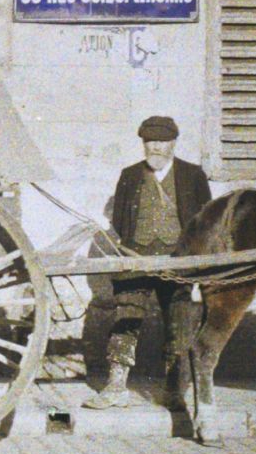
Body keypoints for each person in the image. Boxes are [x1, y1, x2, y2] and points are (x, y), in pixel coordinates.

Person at [84, 113, 212, 409]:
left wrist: (190, 257)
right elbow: (119, 220)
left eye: (162, 142)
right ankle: (116, 387)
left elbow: (204, 219)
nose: (155, 147)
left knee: (178, 322)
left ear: (174, 144)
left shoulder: (193, 175)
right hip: (135, 260)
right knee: (125, 318)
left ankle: (174, 390)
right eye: (149, 142)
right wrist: (131, 251)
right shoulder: (130, 175)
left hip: (176, 262)